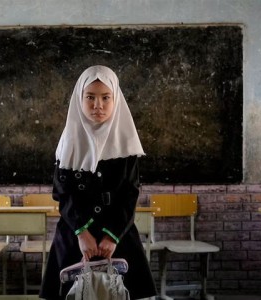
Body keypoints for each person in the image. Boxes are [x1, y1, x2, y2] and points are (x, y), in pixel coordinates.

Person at [39, 65, 157, 300]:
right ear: (79, 99)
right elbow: (63, 192)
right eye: (90, 97)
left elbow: (129, 193)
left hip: (116, 235)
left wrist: (112, 236)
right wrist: (82, 233)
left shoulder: (126, 142)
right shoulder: (69, 141)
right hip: (75, 234)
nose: (98, 105)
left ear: (116, 99)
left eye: (105, 97)